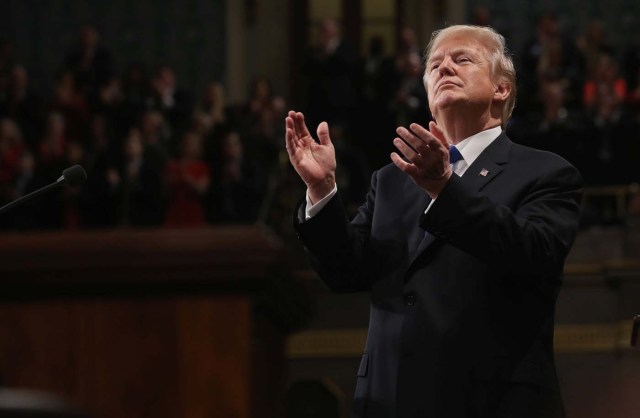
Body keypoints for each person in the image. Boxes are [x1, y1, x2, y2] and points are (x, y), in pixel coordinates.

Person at [285, 24, 583, 418]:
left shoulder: (545, 172)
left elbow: (534, 254)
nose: (444, 69)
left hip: (491, 399)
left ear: (502, 89)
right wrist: (323, 191)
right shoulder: (391, 179)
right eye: (435, 66)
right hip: (390, 397)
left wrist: (445, 189)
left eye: (462, 60)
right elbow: (347, 273)